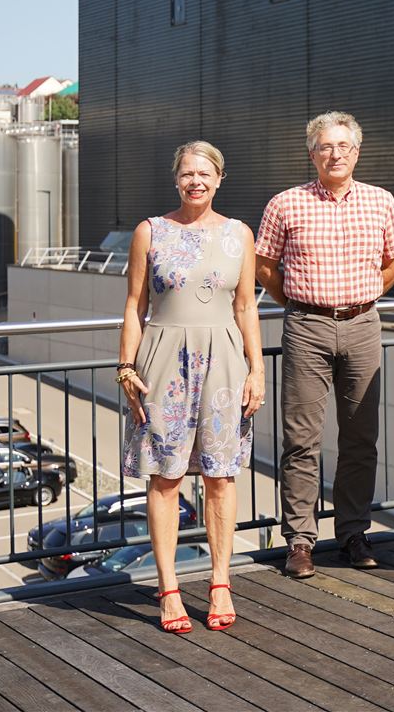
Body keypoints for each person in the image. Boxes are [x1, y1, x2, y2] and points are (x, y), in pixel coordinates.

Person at [255, 111, 394, 580]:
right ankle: (300, 540)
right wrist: (306, 304)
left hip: (363, 324)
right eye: (325, 146)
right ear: (312, 154)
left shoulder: (381, 201)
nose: (335, 153)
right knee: (301, 439)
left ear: (357, 152)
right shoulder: (286, 203)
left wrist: (358, 298)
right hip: (306, 326)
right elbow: (265, 267)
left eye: (344, 146)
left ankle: (352, 533)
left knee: (361, 436)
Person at [117, 140, 263, 634]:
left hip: (224, 360)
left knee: (221, 476)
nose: (195, 181)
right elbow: (135, 304)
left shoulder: (239, 234)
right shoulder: (150, 231)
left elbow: (246, 308)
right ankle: (169, 589)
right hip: (162, 363)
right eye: (187, 174)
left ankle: (220, 581)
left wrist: (257, 369)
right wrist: (125, 366)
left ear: (220, 178)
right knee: (167, 476)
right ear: (175, 179)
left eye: (205, 173)